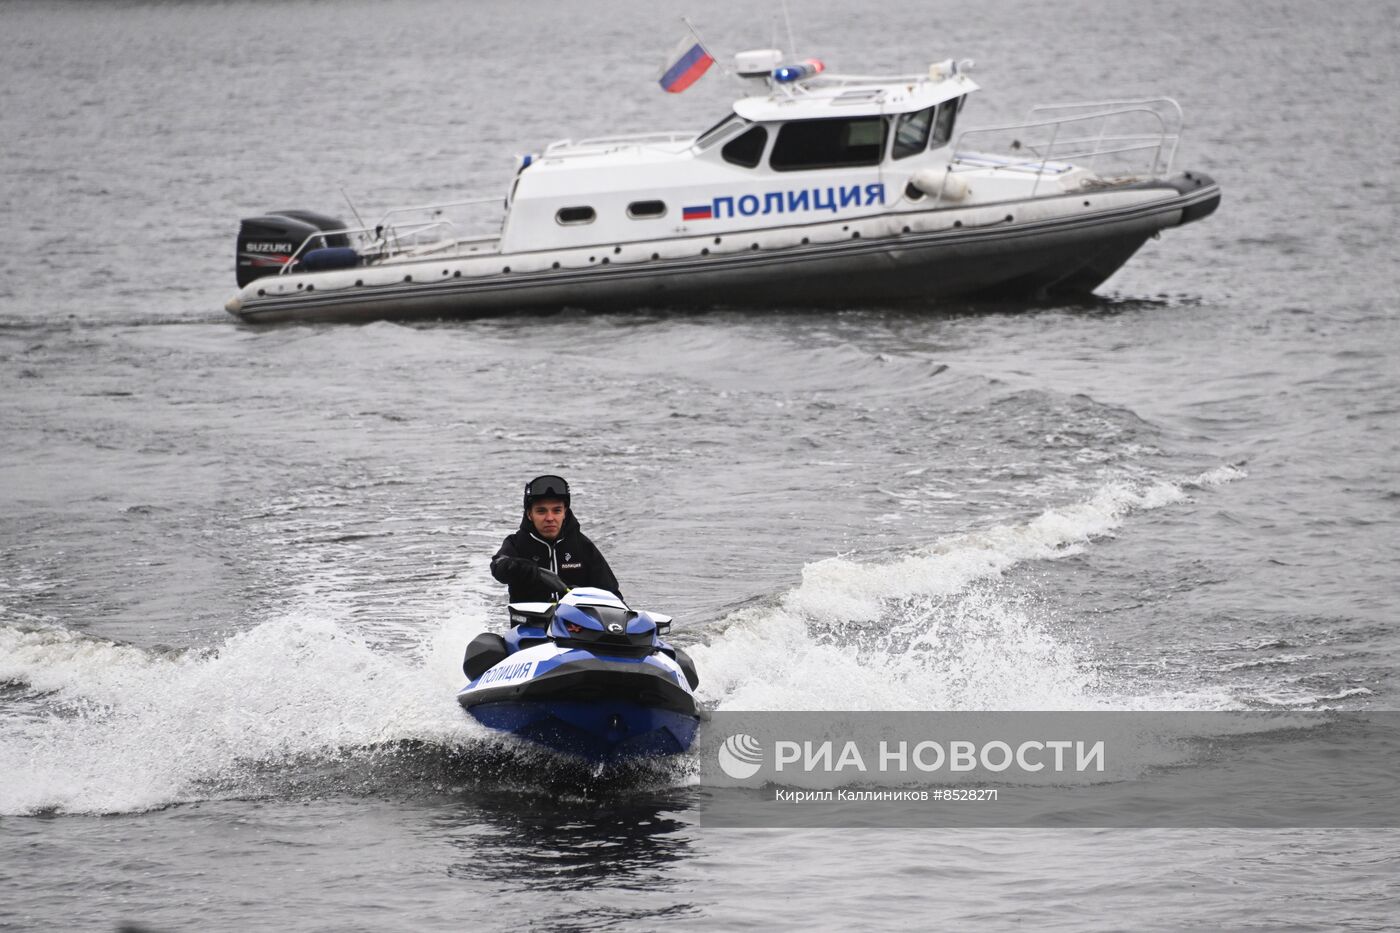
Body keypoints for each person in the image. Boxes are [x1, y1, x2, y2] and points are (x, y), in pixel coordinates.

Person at [490, 474, 621, 604]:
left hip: (574, 623)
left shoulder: (582, 545)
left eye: (557, 511)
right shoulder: (515, 543)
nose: (549, 518)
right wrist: (516, 567)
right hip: (529, 622)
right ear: (529, 514)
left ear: (565, 512)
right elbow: (498, 566)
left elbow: (613, 596)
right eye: (541, 511)